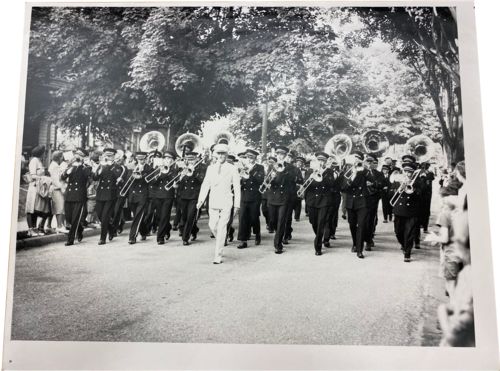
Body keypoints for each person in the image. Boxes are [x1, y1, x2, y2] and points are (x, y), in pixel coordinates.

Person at [197, 144, 241, 264]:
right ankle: (221, 240)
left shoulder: (232, 168)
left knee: (221, 228)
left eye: (223, 154)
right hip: (213, 201)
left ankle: (218, 254)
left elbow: (237, 187)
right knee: (213, 226)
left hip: (226, 201)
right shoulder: (210, 168)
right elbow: (206, 184)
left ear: (226, 155)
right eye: (219, 154)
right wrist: (201, 200)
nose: (221, 156)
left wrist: (237, 204)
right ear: (215, 155)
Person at [340, 151, 374, 259]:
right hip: (351, 202)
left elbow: (373, 180)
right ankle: (355, 243)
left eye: (358, 159)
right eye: (354, 158)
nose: (356, 161)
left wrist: (364, 169)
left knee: (361, 225)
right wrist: (352, 177)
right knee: (352, 225)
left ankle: (360, 249)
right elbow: (343, 188)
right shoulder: (347, 171)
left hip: (362, 201)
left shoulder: (364, 171)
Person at [304, 152, 337, 255]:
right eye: (319, 160)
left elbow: (331, 185)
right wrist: (313, 175)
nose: (321, 162)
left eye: (323, 160)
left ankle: (318, 247)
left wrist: (323, 174)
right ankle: (319, 235)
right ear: (316, 161)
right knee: (313, 222)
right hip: (312, 200)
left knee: (321, 223)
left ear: (326, 161)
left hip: (324, 200)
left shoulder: (329, 171)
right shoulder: (309, 171)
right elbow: (306, 186)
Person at [392, 158, 424, 262]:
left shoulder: (418, 181)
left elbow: (421, 195)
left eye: (409, 172)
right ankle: (403, 244)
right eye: (405, 171)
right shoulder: (398, 180)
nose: (407, 174)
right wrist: (400, 188)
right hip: (399, 210)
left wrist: (413, 188)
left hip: (412, 211)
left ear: (413, 172)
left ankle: (407, 252)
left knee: (409, 233)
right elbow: (390, 194)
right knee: (398, 232)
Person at [93, 148, 125, 245]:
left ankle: (102, 238)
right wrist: (100, 167)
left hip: (111, 194)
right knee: (99, 214)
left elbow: (118, 177)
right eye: (106, 155)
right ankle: (111, 228)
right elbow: (95, 177)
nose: (108, 157)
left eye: (110, 155)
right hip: (100, 193)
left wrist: (110, 165)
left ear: (114, 156)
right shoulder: (101, 165)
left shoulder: (118, 167)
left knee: (105, 216)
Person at [267, 145, 295, 254]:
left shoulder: (290, 167)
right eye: (278, 154)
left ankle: (278, 244)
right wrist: (270, 179)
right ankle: (277, 234)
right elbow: (267, 180)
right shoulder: (271, 166)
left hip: (284, 197)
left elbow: (292, 180)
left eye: (282, 154)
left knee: (281, 221)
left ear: (285, 155)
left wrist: (282, 172)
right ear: (276, 155)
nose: (280, 156)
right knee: (273, 221)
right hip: (273, 196)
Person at [145, 151, 178, 245]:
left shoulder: (175, 169)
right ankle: (167, 229)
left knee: (164, 216)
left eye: (169, 158)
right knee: (159, 216)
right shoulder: (157, 168)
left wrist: (167, 172)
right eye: (165, 158)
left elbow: (175, 180)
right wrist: (160, 173)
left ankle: (160, 237)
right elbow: (152, 182)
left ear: (172, 160)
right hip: (157, 195)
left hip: (168, 195)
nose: (167, 160)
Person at [61, 148, 92, 246]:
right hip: (69, 195)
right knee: (68, 217)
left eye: (80, 155)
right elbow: (62, 177)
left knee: (75, 218)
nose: (77, 156)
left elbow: (89, 175)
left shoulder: (85, 167)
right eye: (76, 154)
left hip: (79, 195)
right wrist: (68, 170)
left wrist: (84, 165)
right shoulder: (71, 166)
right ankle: (80, 228)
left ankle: (71, 239)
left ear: (83, 157)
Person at [237, 148, 265, 249]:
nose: (249, 159)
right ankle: (243, 240)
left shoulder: (260, 167)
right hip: (244, 195)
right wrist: (241, 176)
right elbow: (238, 182)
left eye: (251, 157)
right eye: (247, 157)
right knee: (242, 217)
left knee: (254, 217)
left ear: (255, 158)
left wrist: (249, 174)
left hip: (255, 196)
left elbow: (260, 180)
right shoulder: (242, 167)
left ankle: (257, 233)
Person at [177, 151, 206, 245]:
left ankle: (185, 238)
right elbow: (179, 184)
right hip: (184, 196)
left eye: (192, 159)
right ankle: (194, 230)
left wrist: (194, 173)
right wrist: (180, 178)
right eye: (188, 159)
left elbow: (203, 181)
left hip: (194, 196)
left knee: (191, 216)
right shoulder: (183, 168)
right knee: (184, 217)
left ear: (196, 159)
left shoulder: (201, 168)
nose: (190, 161)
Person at [127, 152, 151, 244]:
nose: (141, 161)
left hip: (143, 195)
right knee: (137, 216)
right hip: (132, 195)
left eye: (142, 159)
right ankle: (144, 231)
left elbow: (149, 180)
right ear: (136, 159)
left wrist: (142, 175)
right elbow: (127, 179)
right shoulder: (131, 166)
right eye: (139, 159)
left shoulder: (149, 168)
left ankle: (132, 237)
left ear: (145, 159)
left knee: (137, 216)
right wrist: (132, 174)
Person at [25, 145, 46, 237]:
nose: (44, 154)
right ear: (41, 152)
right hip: (33, 187)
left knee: (35, 209)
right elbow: (33, 175)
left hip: (39, 187)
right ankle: (30, 229)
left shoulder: (39, 161)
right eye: (44, 152)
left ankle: (34, 228)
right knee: (31, 208)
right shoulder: (34, 161)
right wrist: (44, 178)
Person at [283, 150, 303, 243]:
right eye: (286, 156)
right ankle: (287, 230)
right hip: (278, 195)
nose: (288, 158)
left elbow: (300, 180)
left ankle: (286, 235)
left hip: (290, 195)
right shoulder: (277, 166)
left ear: (292, 159)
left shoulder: (296, 169)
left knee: (287, 216)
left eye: (290, 157)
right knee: (276, 218)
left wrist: (294, 178)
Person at [48, 150, 66, 233]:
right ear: (60, 157)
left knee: (59, 207)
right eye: (62, 156)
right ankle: (59, 226)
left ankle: (59, 225)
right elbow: (55, 179)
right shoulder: (54, 166)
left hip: (56, 188)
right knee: (59, 207)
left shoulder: (54, 165)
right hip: (56, 189)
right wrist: (61, 187)